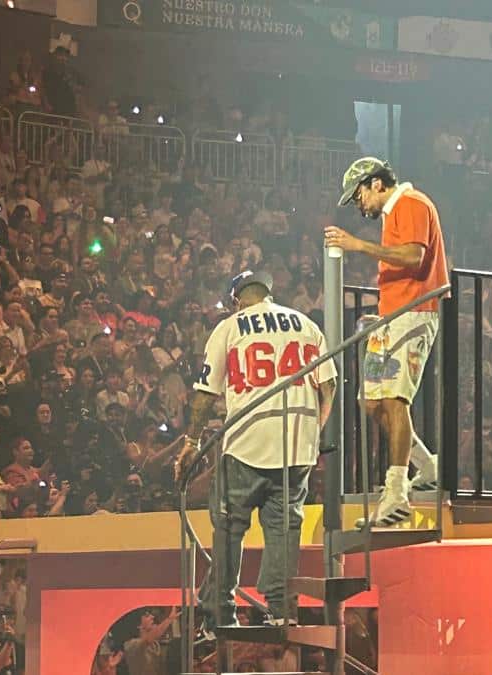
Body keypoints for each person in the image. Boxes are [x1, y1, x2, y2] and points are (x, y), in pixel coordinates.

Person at [175, 270, 337, 632]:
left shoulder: (230, 327)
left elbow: (206, 394)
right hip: (297, 446)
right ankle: (281, 610)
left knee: (229, 527)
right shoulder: (306, 325)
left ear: (237, 300)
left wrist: (191, 443)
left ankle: (219, 612)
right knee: (284, 529)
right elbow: (329, 387)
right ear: (268, 293)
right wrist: (312, 432)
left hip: (247, 443)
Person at [326, 157, 449, 525]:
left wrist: (358, 245)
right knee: (370, 401)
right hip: (393, 316)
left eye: (359, 195)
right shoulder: (392, 213)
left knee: (394, 399)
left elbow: (414, 256)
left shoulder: (411, 203)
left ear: (376, 183)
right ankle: (427, 466)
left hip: (414, 313)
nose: (358, 204)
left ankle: (396, 494)